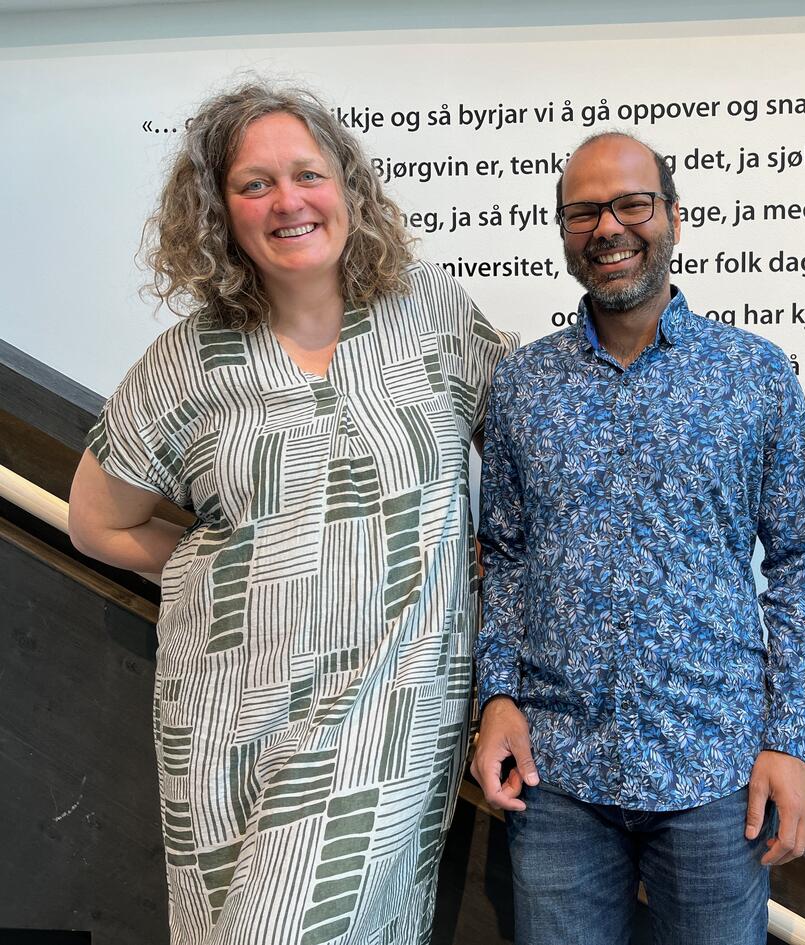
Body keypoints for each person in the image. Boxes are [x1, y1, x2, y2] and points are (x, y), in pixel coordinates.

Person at [67, 81, 514, 945]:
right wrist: (252, 569)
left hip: (387, 710)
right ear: (218, 211)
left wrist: (487, 556)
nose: (288, 202)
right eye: (254, 184)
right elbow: (98, 521)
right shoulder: (186, 361)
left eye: (307, 174)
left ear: (347, 186)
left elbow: (531, 453)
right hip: (224, 717)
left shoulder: (433, 314)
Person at [471, 131, 805, 945]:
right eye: (584, 211)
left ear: (673, 215)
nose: (608, 227)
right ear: (565, 230)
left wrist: (789, 737)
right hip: (557, 771)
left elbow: (803, 559)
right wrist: (496, 693)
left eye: (632, 203)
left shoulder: (755, 375)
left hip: (714, 773)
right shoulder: (525, 384)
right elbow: (505, 552)